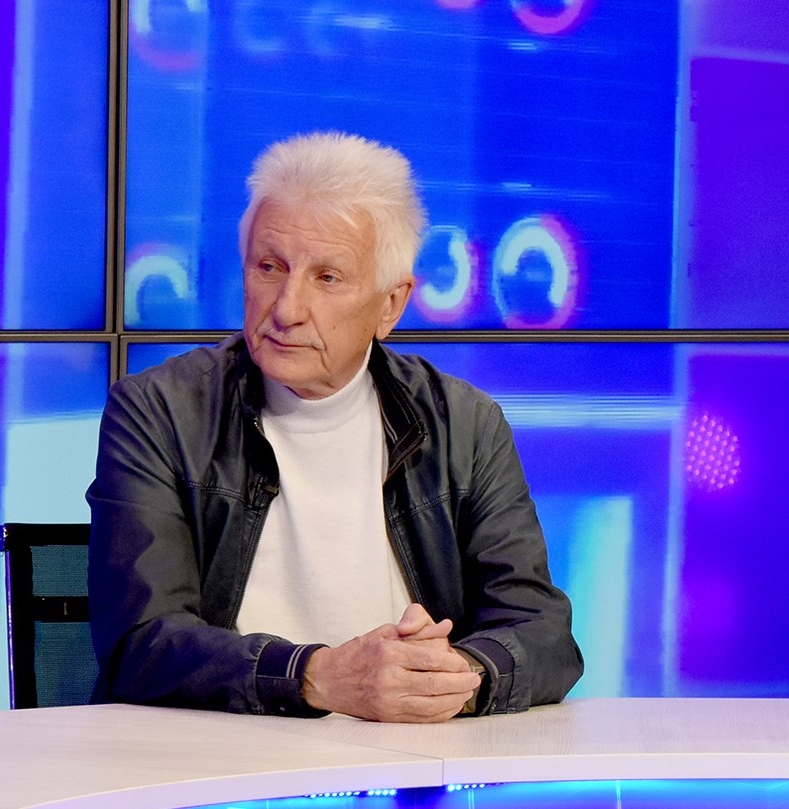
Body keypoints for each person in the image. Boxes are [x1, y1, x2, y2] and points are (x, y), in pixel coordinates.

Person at [87, 131, 583, 723]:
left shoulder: (465, 424)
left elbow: (542, 632)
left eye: (327, 278)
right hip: (219, 753)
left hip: (412, 758)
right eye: (269, 267)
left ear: (390, 305)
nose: (286, 309)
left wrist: (454, 677)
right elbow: (141, 643)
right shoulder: (159, 411)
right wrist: (317, 677)